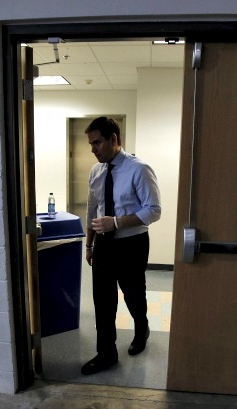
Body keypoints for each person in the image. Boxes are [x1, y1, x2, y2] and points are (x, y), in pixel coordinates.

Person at [81, 116, 161, 375]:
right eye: (91, 143)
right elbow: (92, 209)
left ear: (113, 139)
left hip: (132, 243)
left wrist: (115, 222)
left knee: (133, 294)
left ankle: (142, 328)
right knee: (103, 301)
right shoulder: (96, 171)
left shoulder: (139, 169)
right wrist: (89, 245)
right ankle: (106, 354)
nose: (93, 149)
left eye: (97, 143)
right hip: (103, 244)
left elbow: (154, 210)